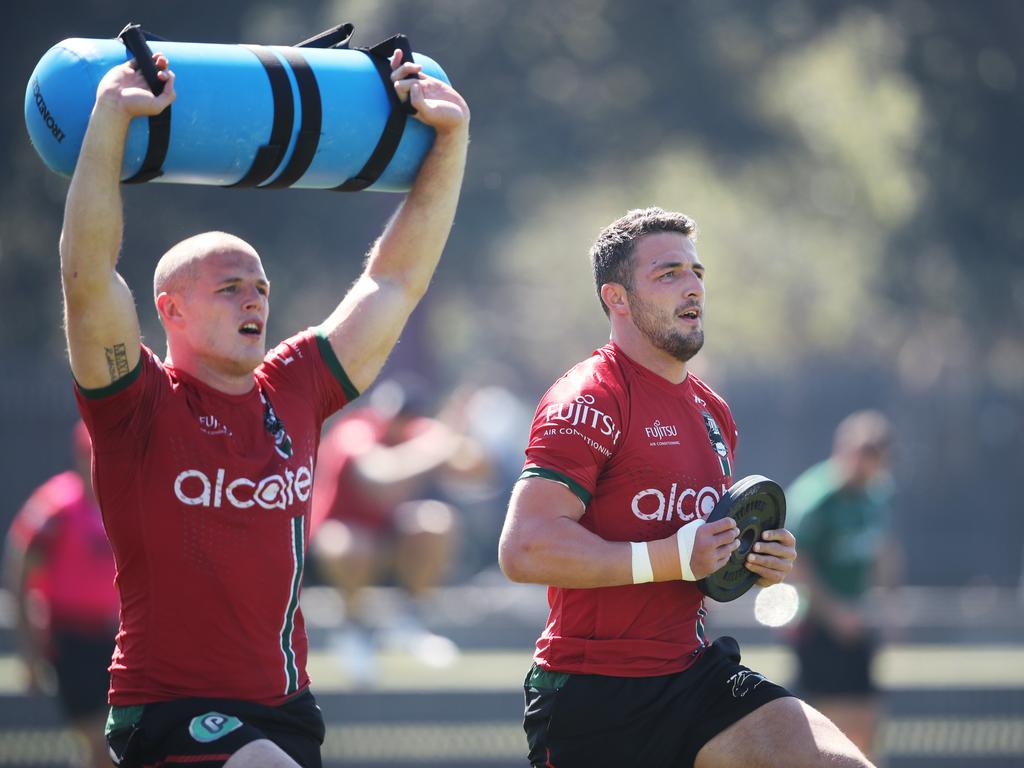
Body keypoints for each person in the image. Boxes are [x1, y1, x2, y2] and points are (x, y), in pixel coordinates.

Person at [59, 45, 468, 768]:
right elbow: (87, 276)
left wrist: (450, 141)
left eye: (261, 287)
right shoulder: (136, 405)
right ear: (171, 309)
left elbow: (396, 282)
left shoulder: (296, 386)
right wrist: (109, 119)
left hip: (285, 707)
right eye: (229, 288)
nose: (255, 298)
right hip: (169, 710)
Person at [498, 207, 874, 768]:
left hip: (696, 675)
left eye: (696, 272)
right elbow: (524, 548)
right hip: (596, 696)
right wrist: (673, 557)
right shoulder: (588, 398)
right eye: (668, 273)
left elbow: (697, 560)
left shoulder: (711, 410)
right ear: (617, 298)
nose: (693, 286)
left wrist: (754, 559)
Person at [310, 376, 483, 682]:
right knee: (350, 545)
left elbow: (476, 470)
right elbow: (378, 480)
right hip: (336, 544)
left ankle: (407, 621)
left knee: (433, 521)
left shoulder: (419, 433)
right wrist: (439, 445)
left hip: (387, 540)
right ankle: (354, 628)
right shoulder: (357, 430)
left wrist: (456, 434)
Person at [2, 421, 119, 768]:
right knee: (99, 743)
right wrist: (31, 649)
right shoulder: (57, 508)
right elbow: (21, 571)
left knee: (114, 747)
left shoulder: (124, 503)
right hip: (72, 642)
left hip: (116, 640)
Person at [787, 410, 900, 762]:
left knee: (868, 719)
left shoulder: (876, 494)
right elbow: (795, 563)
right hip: (819, 626)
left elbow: (883, 548)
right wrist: (834, 612)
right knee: (828, 724)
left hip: (858, 623)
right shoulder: (816, 498)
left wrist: (886, 603)